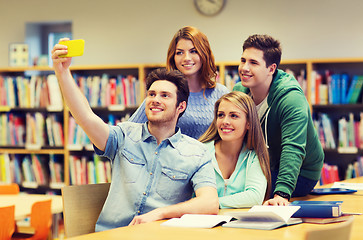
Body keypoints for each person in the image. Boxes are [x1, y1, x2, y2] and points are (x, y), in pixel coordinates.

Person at [52, 41, 219, 230]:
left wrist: (160, 213)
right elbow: (85, 118)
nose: (155, 100)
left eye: (165, 95)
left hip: (158, 235)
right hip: (113, 235)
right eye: (152, 94)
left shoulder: (197, 152)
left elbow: (209, 203)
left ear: (181, 107)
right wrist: (62, 72)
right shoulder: (123, 136)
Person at [232, 34, 324, 206]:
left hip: (301, 174)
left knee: (242, 189)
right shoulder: (240, 91)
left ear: (271, 68)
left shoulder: (291, 98)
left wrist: (282, 194)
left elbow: (293, 147)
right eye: (243, 60)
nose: (244, 67)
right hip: (262, 166)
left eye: (253, 62)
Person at [129, 26, 229, 139]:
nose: (186, 58)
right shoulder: (162, 93)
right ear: (173, 57)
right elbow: (127, 132)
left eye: (193, 51)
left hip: (212, 156)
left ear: (204, 54)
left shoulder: (221, 93)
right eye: (179, 53)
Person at [199, 91, 271, 208]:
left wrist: (212, 203)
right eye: (221, 115)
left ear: (248, 123)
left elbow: (255, 197)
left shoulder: (254, 156)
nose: (225, 121)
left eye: (234, 116)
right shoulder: (200, 152)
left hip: (237, 224)